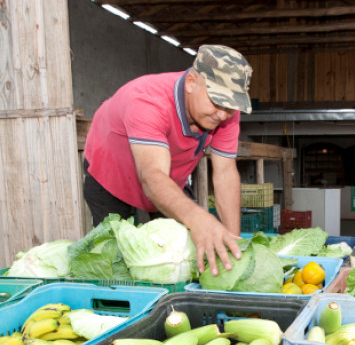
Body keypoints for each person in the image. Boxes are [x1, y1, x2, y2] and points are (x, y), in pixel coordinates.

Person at [82, 45, 253, 276]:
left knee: (181, 255)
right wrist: (198, 218)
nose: (223, 114)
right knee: (115, 262)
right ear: (191, 82)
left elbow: (225, 174)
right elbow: (152, 177)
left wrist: (234, 243)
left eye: (231, 106)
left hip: (168, 176)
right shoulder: (148, 102)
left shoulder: (224, 112)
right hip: (113, 173)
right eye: (217, 101)